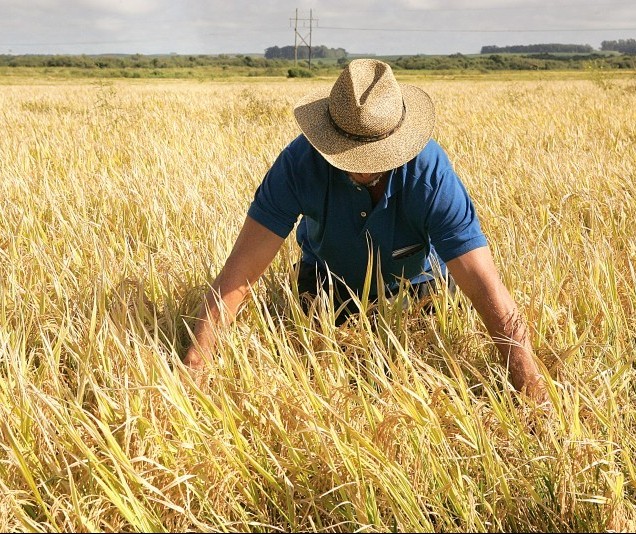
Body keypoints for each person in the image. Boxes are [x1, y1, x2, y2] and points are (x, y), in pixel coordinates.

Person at [183, 59, 548, 402]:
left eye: (377, 157)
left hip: (419, 288)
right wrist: (195, 368)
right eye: (349, 156)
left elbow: (484, 284)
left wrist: (530, 387)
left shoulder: (430, 173)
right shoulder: (298, 164)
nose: (362, 170)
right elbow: (239, 275)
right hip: (329, 288)